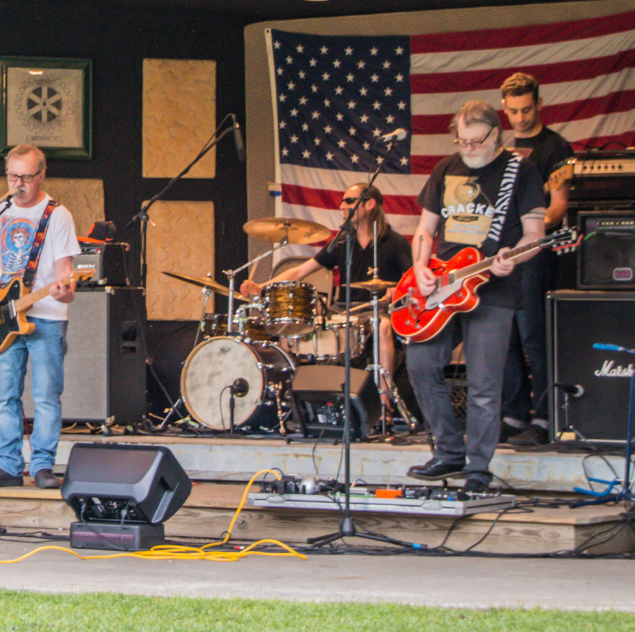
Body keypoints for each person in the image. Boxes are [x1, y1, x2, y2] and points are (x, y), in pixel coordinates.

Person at [406, 101, 546, 493]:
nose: (467, 149)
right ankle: (449, 452)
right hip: (445, 284)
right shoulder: (445, 168)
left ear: (496, 135)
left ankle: (477, 469)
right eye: (461, 141)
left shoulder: (522, 171)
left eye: (475, 141)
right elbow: (425, 229)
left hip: (494, 288)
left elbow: (535, 233)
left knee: (485, 382)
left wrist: (512, 257)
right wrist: (420, 266)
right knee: (420, 363)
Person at [0, 143, 80, 489]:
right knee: (5, 394)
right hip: (4, 315)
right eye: (13, 176)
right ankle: (8, 465)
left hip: (47, 315)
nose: (19, 183)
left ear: (42, 175)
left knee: (47, 394)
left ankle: (43, 466)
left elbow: (65, 270)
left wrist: (67, 289)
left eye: (26, 177)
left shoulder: (58, 215)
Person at [242, 184, 411, 398]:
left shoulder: (395, 242)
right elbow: (300, 271)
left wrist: (396, 289)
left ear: (370, 204)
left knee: (382, 325)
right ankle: (291, 400)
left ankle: (384, 399)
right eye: (342, 201)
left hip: (379, 310)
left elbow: (412, 278)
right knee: (290, 327)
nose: (342, 206)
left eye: (349, 201)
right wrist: (262, 287)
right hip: (342, 310)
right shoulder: (341, 242)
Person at [497, 72, 572, 448]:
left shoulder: (554, 146)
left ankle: (543, 417)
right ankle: (512, 414)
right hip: (503, 258)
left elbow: (558, 206)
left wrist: (528, 234)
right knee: (504, 335)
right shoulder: (504, 150)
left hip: (533, 255)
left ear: (539, 104)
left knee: (533, 338)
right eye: (513, 112)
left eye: (527, 110)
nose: (521, 118)